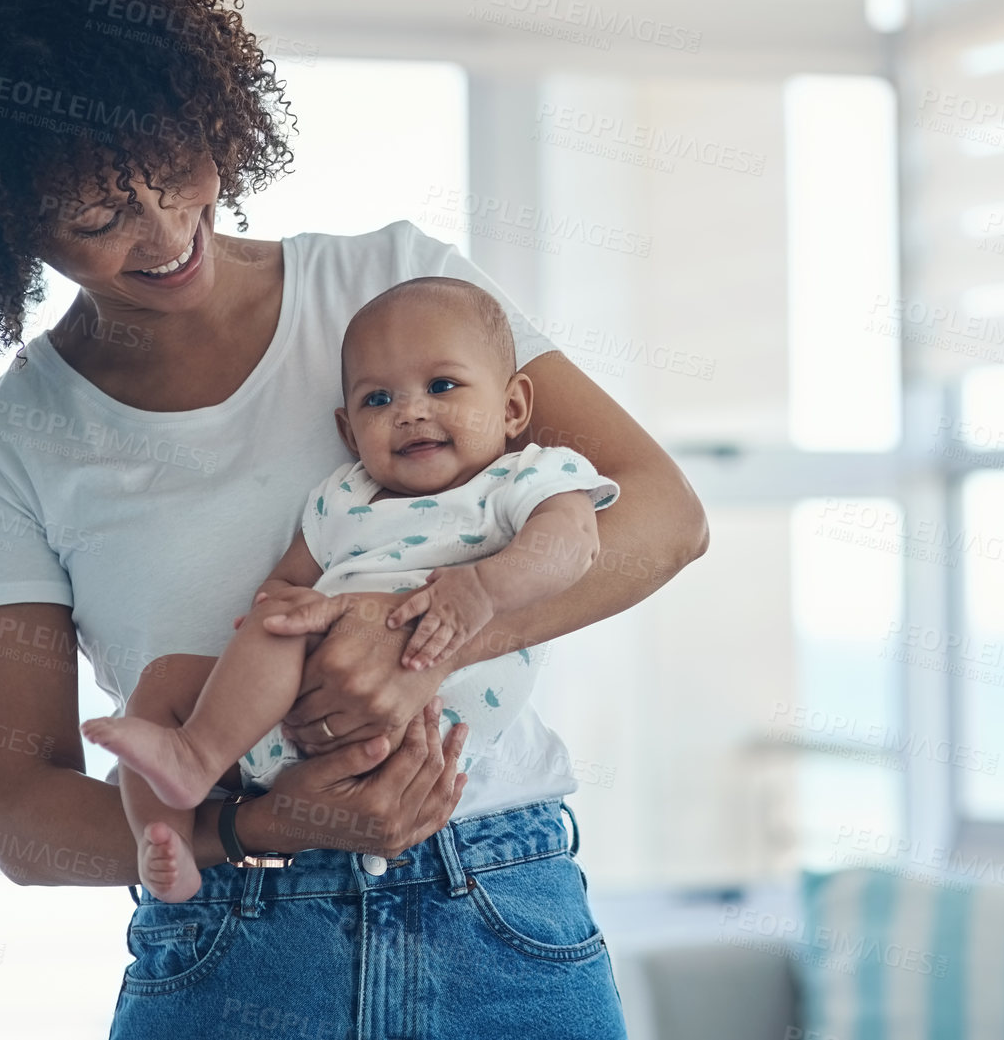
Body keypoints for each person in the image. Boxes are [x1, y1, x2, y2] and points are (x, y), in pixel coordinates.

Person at [0, 0, 708, 1038]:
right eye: (99, 216)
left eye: (175, 169)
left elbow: (660, 514)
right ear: (7, 227)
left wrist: (417, 646)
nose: (166, 232)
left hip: (501, 907)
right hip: (232, 941)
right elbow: (25, 817)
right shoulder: (8, 441)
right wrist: (259, 822)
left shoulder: (400, 288)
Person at [83, 276, 620, 902]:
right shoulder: (344, 494)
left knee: (285, 634)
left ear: (512, 408)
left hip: (423, 728)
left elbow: (573, 544)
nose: (410, 410)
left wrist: (483, 589)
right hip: (289, 730)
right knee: (163, 681)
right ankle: (174, 822)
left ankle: (199, 759)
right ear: (347, 431)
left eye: (442, 386)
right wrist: (289, 604)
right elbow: (285, 581)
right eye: (377, 400)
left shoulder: (521, 476)